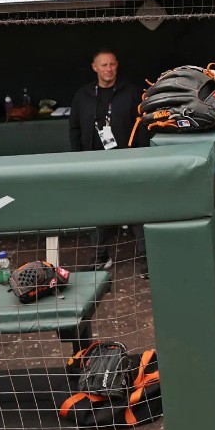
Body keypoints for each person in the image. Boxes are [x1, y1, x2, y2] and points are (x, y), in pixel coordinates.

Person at [67, 50, 144, 270]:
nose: (108, 69)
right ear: (94, 67)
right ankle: (100, 258)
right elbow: (74, 129)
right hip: (96, 164)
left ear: (117, 65)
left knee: (138, 210)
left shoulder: (130, 92)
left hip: (128, 162)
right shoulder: (83, 95)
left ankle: (146, 260)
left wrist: (140, 156)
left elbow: (142, 126)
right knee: (99, 211)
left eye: (112, 64)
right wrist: (80, 160)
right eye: (103, 65)